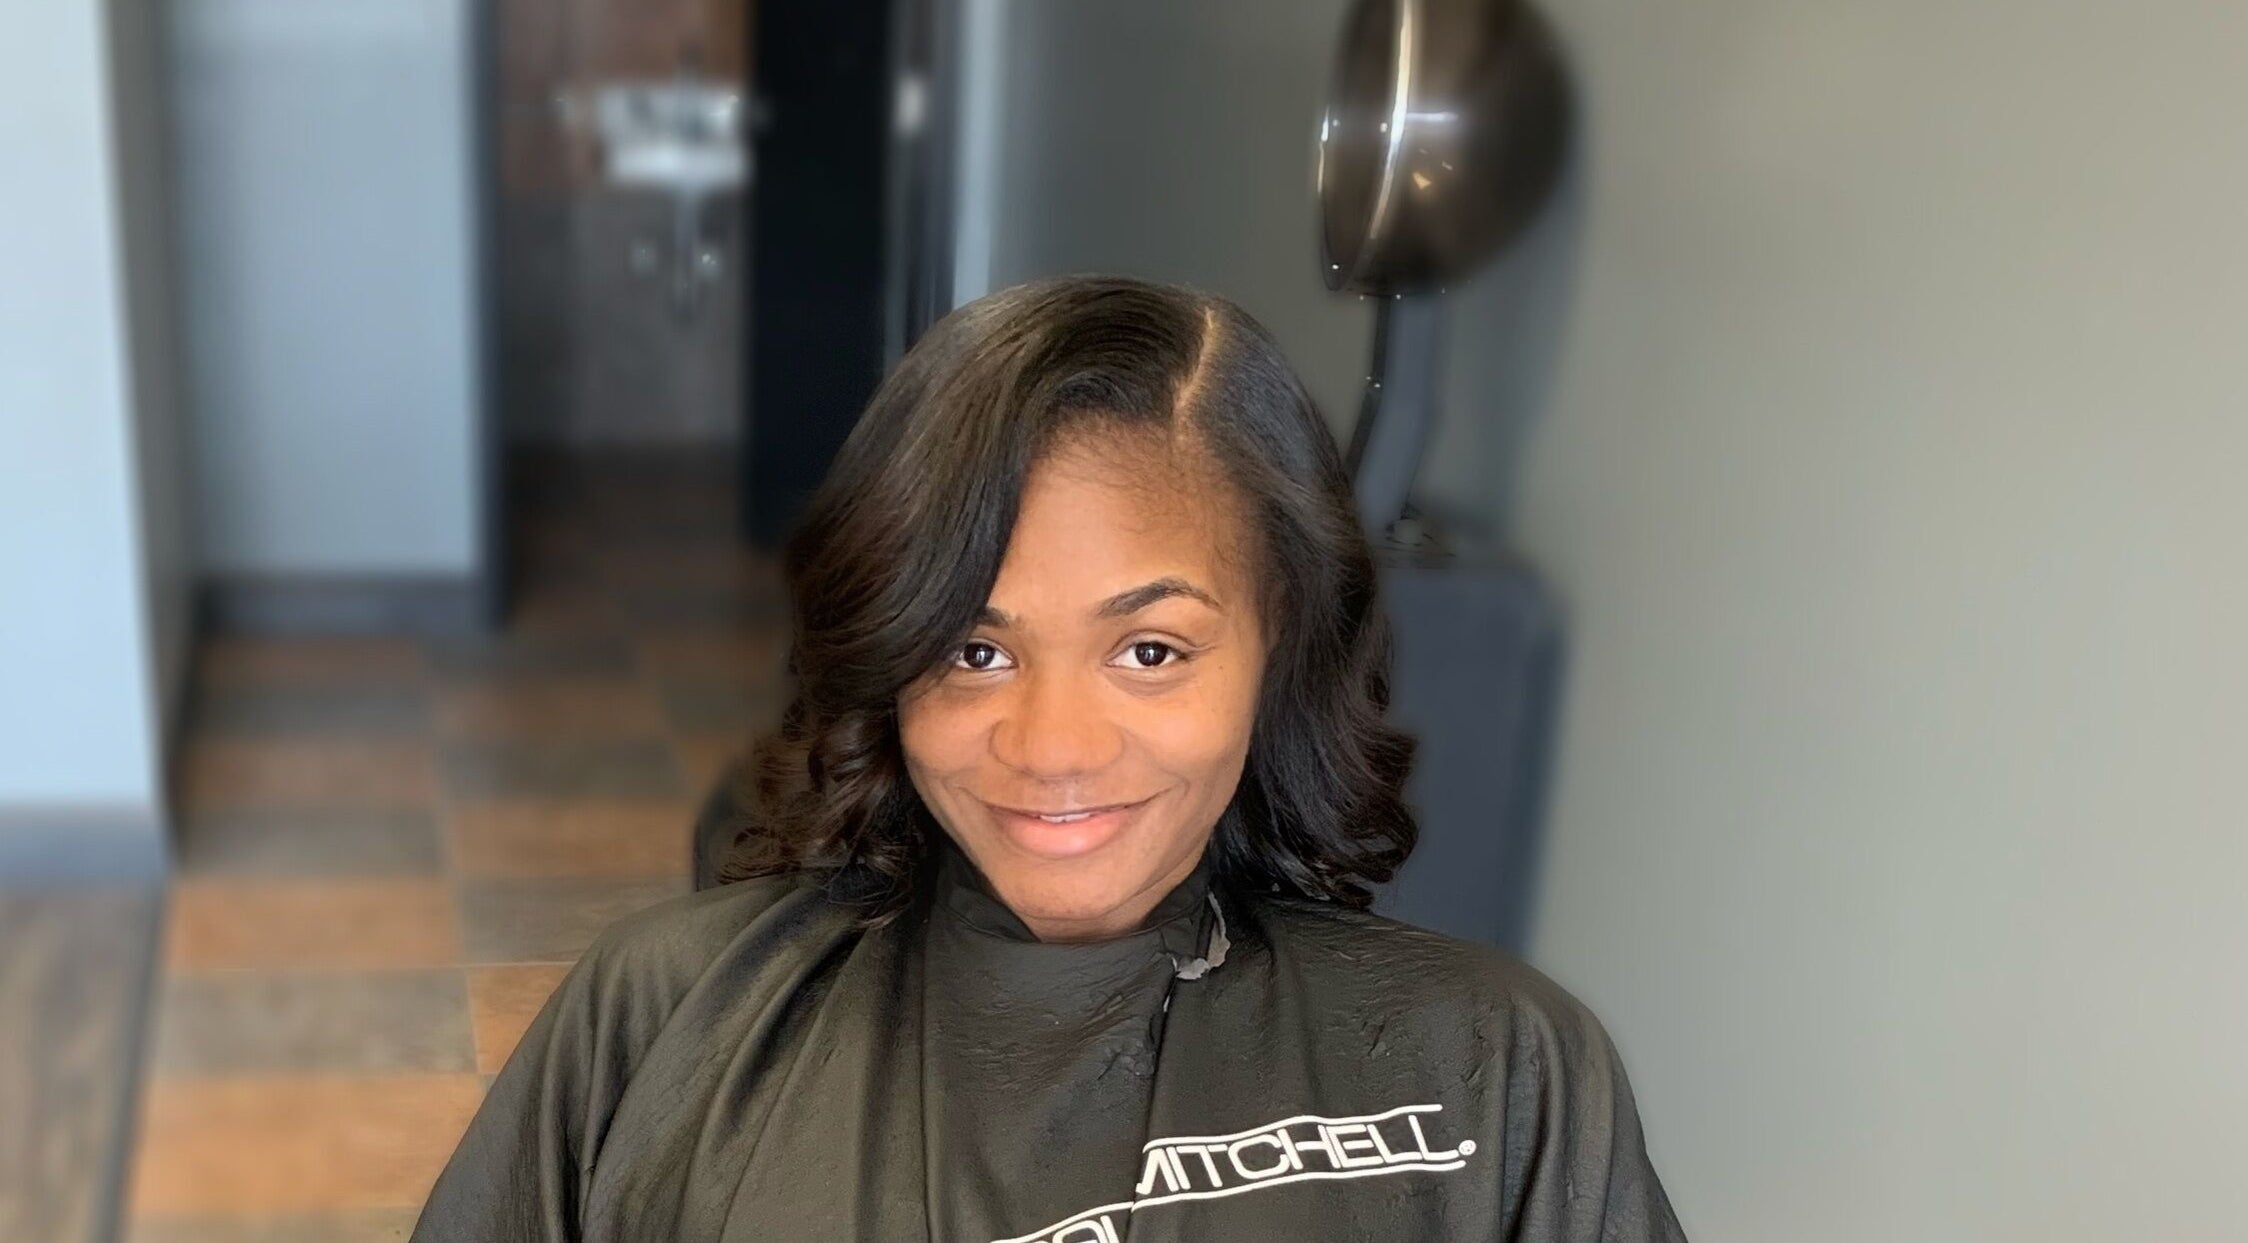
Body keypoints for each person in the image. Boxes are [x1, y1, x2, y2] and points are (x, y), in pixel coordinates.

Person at [409, 275, 1688, 1242]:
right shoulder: (656, 1022)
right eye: (974, 651)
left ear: (1278, 643)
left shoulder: (1500, 1073)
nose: (1053, 748)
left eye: (1150, 651)